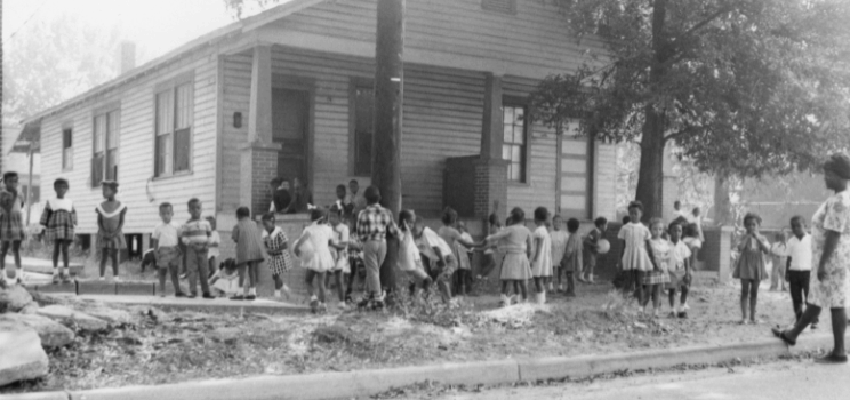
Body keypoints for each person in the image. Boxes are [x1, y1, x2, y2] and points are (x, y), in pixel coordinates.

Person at [773, 153, 850, 363]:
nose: (825, 177)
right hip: (836, 258)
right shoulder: (842, 198)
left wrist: (824, 262)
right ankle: (793, 334)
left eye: (829, 173)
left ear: (840, 175)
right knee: (817, 301)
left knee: (835, 303)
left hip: (831, 259)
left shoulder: (838, 201)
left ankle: (839, 350)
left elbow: (833, 233)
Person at [356, 185, 398, 310]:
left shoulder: (363, 213)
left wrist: (360, 243)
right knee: (374, 269)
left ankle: (378, 298)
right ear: (379, 198)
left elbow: (360, 232)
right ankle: (367, 295)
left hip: (369, 242)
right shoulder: (387, 212)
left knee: (372, 270)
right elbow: (393, 230)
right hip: (383, 242)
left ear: (366, 199)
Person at [487, 207, 533, 307]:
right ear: (523, 218)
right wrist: (528, 258)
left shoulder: (510, 228)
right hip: (522, 257)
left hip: (512, 256)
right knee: (523, 281)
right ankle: (524, 301)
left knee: (508, 279)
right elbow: (530, 247)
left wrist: (488, 238)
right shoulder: (526, 230)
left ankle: (504, 301)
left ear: (512, 218)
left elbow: (497, 236)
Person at [297, 207, 336, 313]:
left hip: (312, 257)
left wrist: (297, 249)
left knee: (308, 280)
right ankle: (323, 305)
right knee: (321, 283)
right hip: (324, 257)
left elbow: (300, 241)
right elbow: (331, 242)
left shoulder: (309, 229)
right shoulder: (328, 228)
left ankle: (313, 298)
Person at [734, 213, 769, 324]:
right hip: (745, 262)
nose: (751, 227)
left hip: (757, 263)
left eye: (753, 225)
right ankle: (744, 317)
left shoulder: (762, 237)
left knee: (754, 290)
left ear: (758, 225)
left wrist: (758, 239)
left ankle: (753, 317)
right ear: (745, 226)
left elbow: (767, 250)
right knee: (744, 290)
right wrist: (747, 237)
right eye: (748, 225)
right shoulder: (743, 236)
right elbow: (740, 248)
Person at [40, 178, 77, 284]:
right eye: (59, 187)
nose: (61, 189)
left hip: (66, 228)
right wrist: (45, 226)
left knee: (65, 250)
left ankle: (66, 273)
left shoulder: (69, 202)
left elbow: (73, 215)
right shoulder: (51, 201)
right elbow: (46, 215)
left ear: (67, 189)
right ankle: (55, 273)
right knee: (56, 249)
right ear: (54, 188)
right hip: (55, 227)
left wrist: (73, 225)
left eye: (64, 187)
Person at [784, 216, 817, 328]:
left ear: (805, 226)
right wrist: (787, 272)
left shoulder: (811, 239)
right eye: (793, 226)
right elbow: (789, 258)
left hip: (808, 272)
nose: (796, 228)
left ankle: (813, 320)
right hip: (794, 272)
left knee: (810, 297)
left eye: (799, 225)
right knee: (796, 297)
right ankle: (799, 319)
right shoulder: (790, 241)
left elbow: (816, 256)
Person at [618, 201, 653, 306]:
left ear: (641, 214)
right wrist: (619, 260)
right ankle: (625, 305)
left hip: (640, 257)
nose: (633, 215)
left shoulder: (644, 229)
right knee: (628, 281)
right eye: (631, 213)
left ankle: (640, 306)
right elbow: (621, 245)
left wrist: (652, 259)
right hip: (628, 255)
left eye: (636, 213)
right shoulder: (625, 228)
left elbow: (649, 246)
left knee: (640, 282)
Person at [180, 199, 214, 299]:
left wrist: (207, 245)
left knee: (204, 270)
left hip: (203, 249)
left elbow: (209, 235)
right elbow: (184, 238)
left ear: (201, 209)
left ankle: (206, 291)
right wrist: (192, 244)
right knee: (192, 270)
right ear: (189, 210)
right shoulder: (187, 224)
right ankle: (193, 291)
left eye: (198, 208)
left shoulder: (206, 223)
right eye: (193, 208)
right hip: (192, 249)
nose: (196, 210)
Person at [414, 219, 454, 303]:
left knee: (442, 279)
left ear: (421, 226)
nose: (413, 230)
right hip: (436, 260)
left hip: (446, 258)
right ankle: (426, 302)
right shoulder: (416, 238)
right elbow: (424, 256)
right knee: (428, 280)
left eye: (415, 228)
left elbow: (437, 249)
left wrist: (443, 265)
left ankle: (448, 303)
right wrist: (427, 272)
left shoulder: (427, 232)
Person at [439, 207, 475, 298]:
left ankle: (445, 299)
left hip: (441, 256)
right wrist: (479, 245)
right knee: (449, 278)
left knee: (446, 279)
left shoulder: (441, 229)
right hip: (450, 257)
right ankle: (450, 299)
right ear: (453, 220)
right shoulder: (453, 232)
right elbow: (466, 244)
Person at [231, 206, 265, 300]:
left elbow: (235, 238)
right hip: (255, 250)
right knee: (252, 271)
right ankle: (252, 292)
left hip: (243, 250)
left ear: (238, 215)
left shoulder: (237, 225)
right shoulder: (254, 224)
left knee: (241, 271)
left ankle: (240, 292)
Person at [95, 180, 126, 282]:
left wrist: (115, 232)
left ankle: (116, 277)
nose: (103, 192)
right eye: (102, 190)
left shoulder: (121, 205)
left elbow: (121, 222)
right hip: (104, 235)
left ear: (113, 191)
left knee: (115, 256)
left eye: (106, 190)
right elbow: (99, 222)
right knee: (103, 256)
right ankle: (101, 277)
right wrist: (103, 232)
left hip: (115, 235)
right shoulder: (100, 206)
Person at [398, 209, 432, 301]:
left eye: (413, 222)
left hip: (413, 261)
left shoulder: (408, 233)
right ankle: (425, 300)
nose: (412, 225)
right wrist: (404, 225)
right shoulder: (402, 232)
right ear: (404, 221)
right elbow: (400, 237)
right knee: (426, 280)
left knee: (413, 281)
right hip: (409, 263)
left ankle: (414, 299)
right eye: (410, 222)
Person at [152, 202, 184, 297]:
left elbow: (180, 239)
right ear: (160, 214)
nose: (166, 216)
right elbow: (155, 241)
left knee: (174, 271)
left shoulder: (176, 226)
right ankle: (162, 290)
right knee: (162, 271)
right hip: (163, 251)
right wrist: (155, 252)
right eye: (163, 214)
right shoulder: (158, 227)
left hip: (174, 250)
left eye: (168, 213)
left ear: (172, 213)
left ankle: (177, 290)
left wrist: (180, 250)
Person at [0, 172, 25, 286]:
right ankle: (2, 276)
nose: (13, 183)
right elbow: (8, 207)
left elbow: (21, 207)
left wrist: (22, 226)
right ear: (5, 182)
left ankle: (19, 277)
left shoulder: (20, 193)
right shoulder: (3, 194)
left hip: (17, 221)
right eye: (10, 181)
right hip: (6, 221)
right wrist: (13, 195)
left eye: (15, 181)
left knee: (17, 249)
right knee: (4, 249)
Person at [262, 213, 292, 299]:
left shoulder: (279, 232)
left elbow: (285, 245)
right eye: (263, 224)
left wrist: (275, 250)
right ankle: (284, 288)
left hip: (280, 256)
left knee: (276, 274)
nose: (265, 227)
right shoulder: (265, 233)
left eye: (266, 224)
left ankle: (277, 294)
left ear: (272, 222)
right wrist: (268, 249)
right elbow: (265, 243)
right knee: (274, 276)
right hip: (272, 256)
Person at [644, 218, 670, 318]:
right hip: (651, 267)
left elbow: (667, 254)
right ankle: (643, 307)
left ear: (663, 230)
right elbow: (647, 255)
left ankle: (656, 310)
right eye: (655, 229)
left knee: (657, 289)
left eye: (660, 229)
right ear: (650, 229)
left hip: (661, 268)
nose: (657, 231)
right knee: (649, 288)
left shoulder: (664, 242)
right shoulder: (649, 242)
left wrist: (665, 265)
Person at [667, 220, 692, 318]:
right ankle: (672, 310)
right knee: (671, 291)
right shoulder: (667, 244)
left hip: (681, 270)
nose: (677, 233)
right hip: (670, 271)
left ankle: (682, 309)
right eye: (674, 230)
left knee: (685, 289)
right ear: (670, 232)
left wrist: (687, 273)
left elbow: (686, 261)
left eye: (679, 231)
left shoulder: (683, 246)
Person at [327, 206, 350, 309]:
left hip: (340, 257)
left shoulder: (343, 228)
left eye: (334, 216)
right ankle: (323, 300)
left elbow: (343, 245)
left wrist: (333, 245)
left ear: (339, 217)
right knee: (325, 279)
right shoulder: (326, 227)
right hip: (328, 256)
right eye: (330, 216)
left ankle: (342, 301)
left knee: (339, 280)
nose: (331, 218)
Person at [531, 207, 553, 304]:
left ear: (536, 218)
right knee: (541, 280)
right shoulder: (545, 231)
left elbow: (539, 247)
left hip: (539, 259)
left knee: (538, 280)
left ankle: (540, 302)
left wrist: (534, 259)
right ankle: (542, 299)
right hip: (545, 259)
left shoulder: (539, 231)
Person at [560, 217, 583, 297]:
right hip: (577, 258)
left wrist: (564, 260)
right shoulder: (578, 236)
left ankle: (572, 291)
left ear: (569, 227)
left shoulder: (572, 237)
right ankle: (569, 289)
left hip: (571, 259)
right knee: (570, 275)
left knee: (570, 275)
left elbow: (569, 250)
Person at [583, 217, 609, 283]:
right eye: (605, 225)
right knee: (591, 264)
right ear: (600, 225)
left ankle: (581, 276)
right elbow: (586, 240)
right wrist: (595, 245)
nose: (606, 226)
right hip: (589, 250)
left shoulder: (599, 232)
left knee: (586, 263)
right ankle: (590, 279)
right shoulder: (595, 232)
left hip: (592, 250)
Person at [550, 215, 569, 293]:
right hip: (552, 254)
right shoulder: (550, 234)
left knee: (561, 271)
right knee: (551, 271)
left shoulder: (564, 234)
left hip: (561, 254)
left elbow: (567, 244)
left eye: (559, 222)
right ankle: (550, 287)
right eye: (556, 221)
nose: (557, 223)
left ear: (562, 223)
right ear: (553, 223)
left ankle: (560, 286)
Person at [207, 217, 220, 282]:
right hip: (207, 252)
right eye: (210, 224)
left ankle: (213, 277)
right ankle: (209, 277)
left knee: (212, 266)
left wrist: (210, 244)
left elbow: (217, 244)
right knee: (208, 266)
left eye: (213, 224)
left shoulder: (215, 233)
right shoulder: (206, 233)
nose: (212, 225)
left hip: (213, 252)